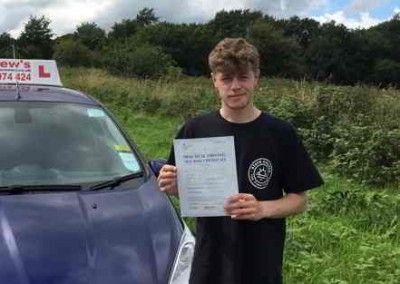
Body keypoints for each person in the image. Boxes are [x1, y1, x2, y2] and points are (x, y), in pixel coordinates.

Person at [157, 37, 323, 284]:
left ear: (256, 77)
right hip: (210, 259)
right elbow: (190, 193)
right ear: (214, 81)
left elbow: (299, 200)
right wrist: (173, 185)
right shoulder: (194, 130)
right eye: (226, 78)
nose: (235, 86)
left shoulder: (280, 133)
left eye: (243, 77)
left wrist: (262, 209)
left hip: (260, 261)